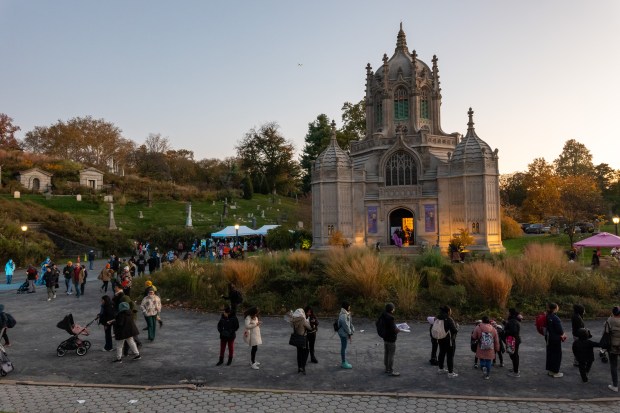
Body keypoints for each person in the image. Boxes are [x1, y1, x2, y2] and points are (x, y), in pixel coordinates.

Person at [472, 316, 500, 380]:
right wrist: (497, 348)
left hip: (481, 346)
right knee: (489, 361)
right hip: (490, 348)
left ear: (482, 321)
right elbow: (496, 340)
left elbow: (474, 336)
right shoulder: (493, 329)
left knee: (482, 359)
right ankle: (487, 375)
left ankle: (483, 366)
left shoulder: (478, 327)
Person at [435, 305, 459, 378]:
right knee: (450, 356)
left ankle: (440, 368)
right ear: (448, 311)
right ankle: (450, 373)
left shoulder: (438, 318)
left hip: (440, 338)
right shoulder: (449, 319)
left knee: (441, 353)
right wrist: (457, 326)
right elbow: (454, 330)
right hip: (449, 340)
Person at [545, 302, 567, 378]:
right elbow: (560, 330)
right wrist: (563, 334)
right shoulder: (555, 318)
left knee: (550, 354)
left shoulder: (547, 316)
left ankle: (550, 371)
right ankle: (555, 372)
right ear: (555, 309)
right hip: (556, 339)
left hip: (549, 338)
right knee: (557, 355)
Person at [379, 303, 401, 376]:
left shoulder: (383, 315)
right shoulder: (391, 318)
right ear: (391, 310)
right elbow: (393, 329)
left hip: (385, 338)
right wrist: (398, 330)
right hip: (391, 339)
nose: (394, 309)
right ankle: (390, 370)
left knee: (386, 353)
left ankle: (386, 368)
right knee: (391, 354)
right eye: (393, 308)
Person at [290, 308, 311, 374]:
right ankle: (303, 367)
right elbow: (309, 327)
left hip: (296, 337)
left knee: (299, 353)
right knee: (306, 351)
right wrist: (307, 321)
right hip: (302, 338)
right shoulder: (302, 319)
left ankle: (299, 367)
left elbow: (291, 326)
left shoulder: (293, 319)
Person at [503, 308, 522, 377]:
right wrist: (505, 324)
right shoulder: (513, 320)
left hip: (513, 340)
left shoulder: (512, 321)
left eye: (508, 312)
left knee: (514, 355)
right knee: (513, 354)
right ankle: (515, 369)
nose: (507, 313)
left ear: (510, 313)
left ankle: (516, 372)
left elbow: (513, 331)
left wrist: (504, 331)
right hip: (515, 340)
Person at [605, 306, 620, 392]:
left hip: (613, 346)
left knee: (613, 365)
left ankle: (615, 386)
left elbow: (606, 332)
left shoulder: (609, 320)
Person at [337, 301, 355, 369]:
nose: (350, 307)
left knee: (344, 347)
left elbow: (349, 323)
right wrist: (350, 332)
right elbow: (346, 326)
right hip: (343, 334)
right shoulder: (344, 315)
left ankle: (344, 361)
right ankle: (343, 362)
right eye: (349, 306)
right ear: (346, 307)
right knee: (343, 348)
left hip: (343, 333)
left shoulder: (345, 313)